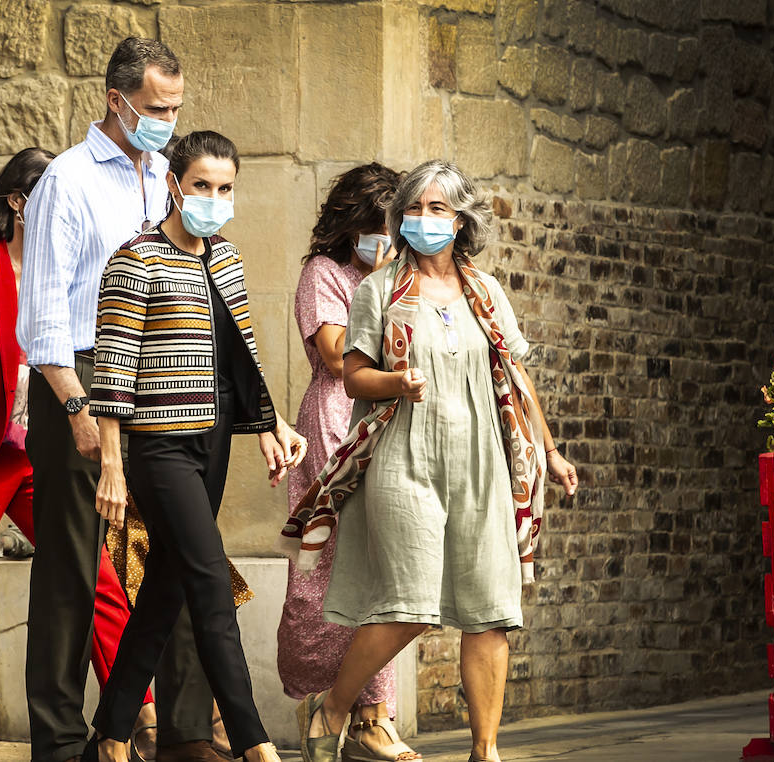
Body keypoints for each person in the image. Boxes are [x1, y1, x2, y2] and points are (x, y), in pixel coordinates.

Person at [283, 160, 579, 762]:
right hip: (403, 457)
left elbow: (514, 378)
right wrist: (396, 382)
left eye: (437, 208)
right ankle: (336, 707)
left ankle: (485, 750)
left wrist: (547, 449)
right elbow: (354, 375)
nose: (423, 220)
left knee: (490, 607)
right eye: (413, 209)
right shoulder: (379, 290)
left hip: (482, 463)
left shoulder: (487, 292)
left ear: (462, 218)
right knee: (410, 602)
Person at [0, 147, 158, 750]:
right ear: (18, 204)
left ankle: (140, 713)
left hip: (42, 453)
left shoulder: (72, 273)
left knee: (97, 579)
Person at [18, 37, 219, 762]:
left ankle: (186, 730)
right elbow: (40, 320)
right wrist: (77, 411)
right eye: (156, 107)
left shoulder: (171, 176)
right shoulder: (65, 183)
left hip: (162, 379)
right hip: (78, 376)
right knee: (73, 567)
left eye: (175, 107)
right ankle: (63, 741)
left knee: (181, 554)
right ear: (117, 100)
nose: (167, 119)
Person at [85, 130, 306, 762]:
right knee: (209, 584)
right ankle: (253, 740)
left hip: (211, 446)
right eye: (203, 185)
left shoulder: (226, 259)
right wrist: (111, 464)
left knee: (164, 589)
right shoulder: (136, 259)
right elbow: (114, 370)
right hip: (158, 450)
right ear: (174, 185)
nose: (214, 197)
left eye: (226, 187)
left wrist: (272, 424)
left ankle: (111, 732)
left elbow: (241, 355)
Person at [274, 164, 422, 762]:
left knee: (384, 566)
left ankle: (372, 716)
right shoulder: (325, 273)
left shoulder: (404, 276)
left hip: (389, 418)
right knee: (331, 562)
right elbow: (338, 355)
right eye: (374, 228)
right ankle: (329, 704)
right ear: (351, 225)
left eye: (391, 229)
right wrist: (384, 282)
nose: (383, 242)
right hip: (337, 420)